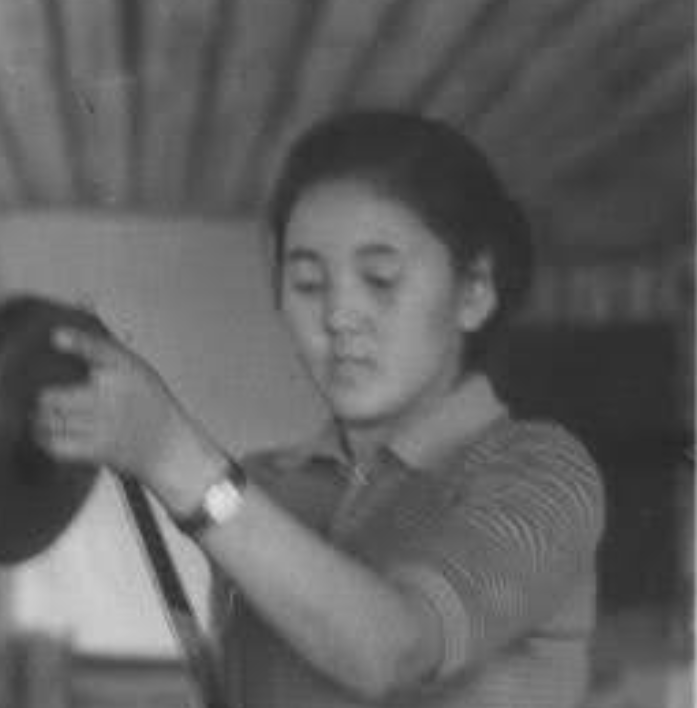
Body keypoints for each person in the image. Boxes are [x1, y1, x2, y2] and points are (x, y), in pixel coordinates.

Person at [33, 110, 604, 707]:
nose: (338, 315)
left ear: (474, 290)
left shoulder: (543, 473)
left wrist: (169, 454)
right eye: (308, 283)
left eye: (380, 279)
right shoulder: (265, 486)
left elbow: (393, 651)